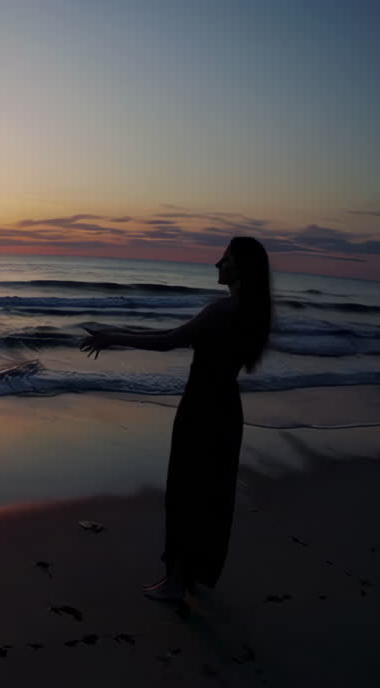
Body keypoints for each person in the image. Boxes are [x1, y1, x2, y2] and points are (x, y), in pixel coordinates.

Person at [80, 237, 272, 602]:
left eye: (226, 259)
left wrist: (112, 337)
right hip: (227, 409)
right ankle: (192, 575)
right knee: (210, 494)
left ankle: (175, 581)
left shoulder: (222, 311)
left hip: (202, 408)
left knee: (186, 491)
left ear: (241, 268)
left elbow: (169, 341)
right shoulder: (254, 312)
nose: (217, 264)